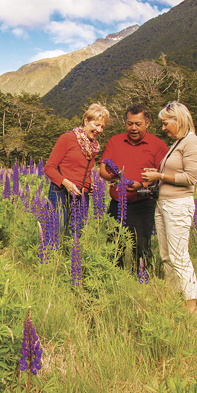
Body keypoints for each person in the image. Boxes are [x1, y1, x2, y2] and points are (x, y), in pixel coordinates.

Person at [142, 102, 197, 313]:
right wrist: (157, 175)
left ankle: (191, 306)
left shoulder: (192, 142)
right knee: (166, 255)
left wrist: (159, 175)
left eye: (165, 123)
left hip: (178, 205)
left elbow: (191, 178)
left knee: (179, 256)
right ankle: (173, 298)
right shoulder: (178, 143)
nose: (163, 128)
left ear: (178, 120)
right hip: (164, 204)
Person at [98, 104, 168, 271]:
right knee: (114, 247)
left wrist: (140, 185)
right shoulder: (115, 141)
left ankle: (143, 281)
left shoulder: (158, 145)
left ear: (148, 123)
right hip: (117, 204)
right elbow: (102, 169)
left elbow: (161, 176)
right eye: (130, 123)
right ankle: (114, 280)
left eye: (138, 124)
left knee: (142, 248)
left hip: (143, 204)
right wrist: (115, 178)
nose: (134, 128)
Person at [44, 103, 110, 233]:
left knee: (75, 238)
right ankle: (52, 254)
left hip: (82, 196)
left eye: (102, 126)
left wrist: (90, 186)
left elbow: (84, 172)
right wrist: (66, 183)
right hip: (61, 192)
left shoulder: (93, 147)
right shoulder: (67, 138)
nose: (100, 130)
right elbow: (49, 168)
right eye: (96, 125)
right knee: (54, 234)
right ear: (86, 120)